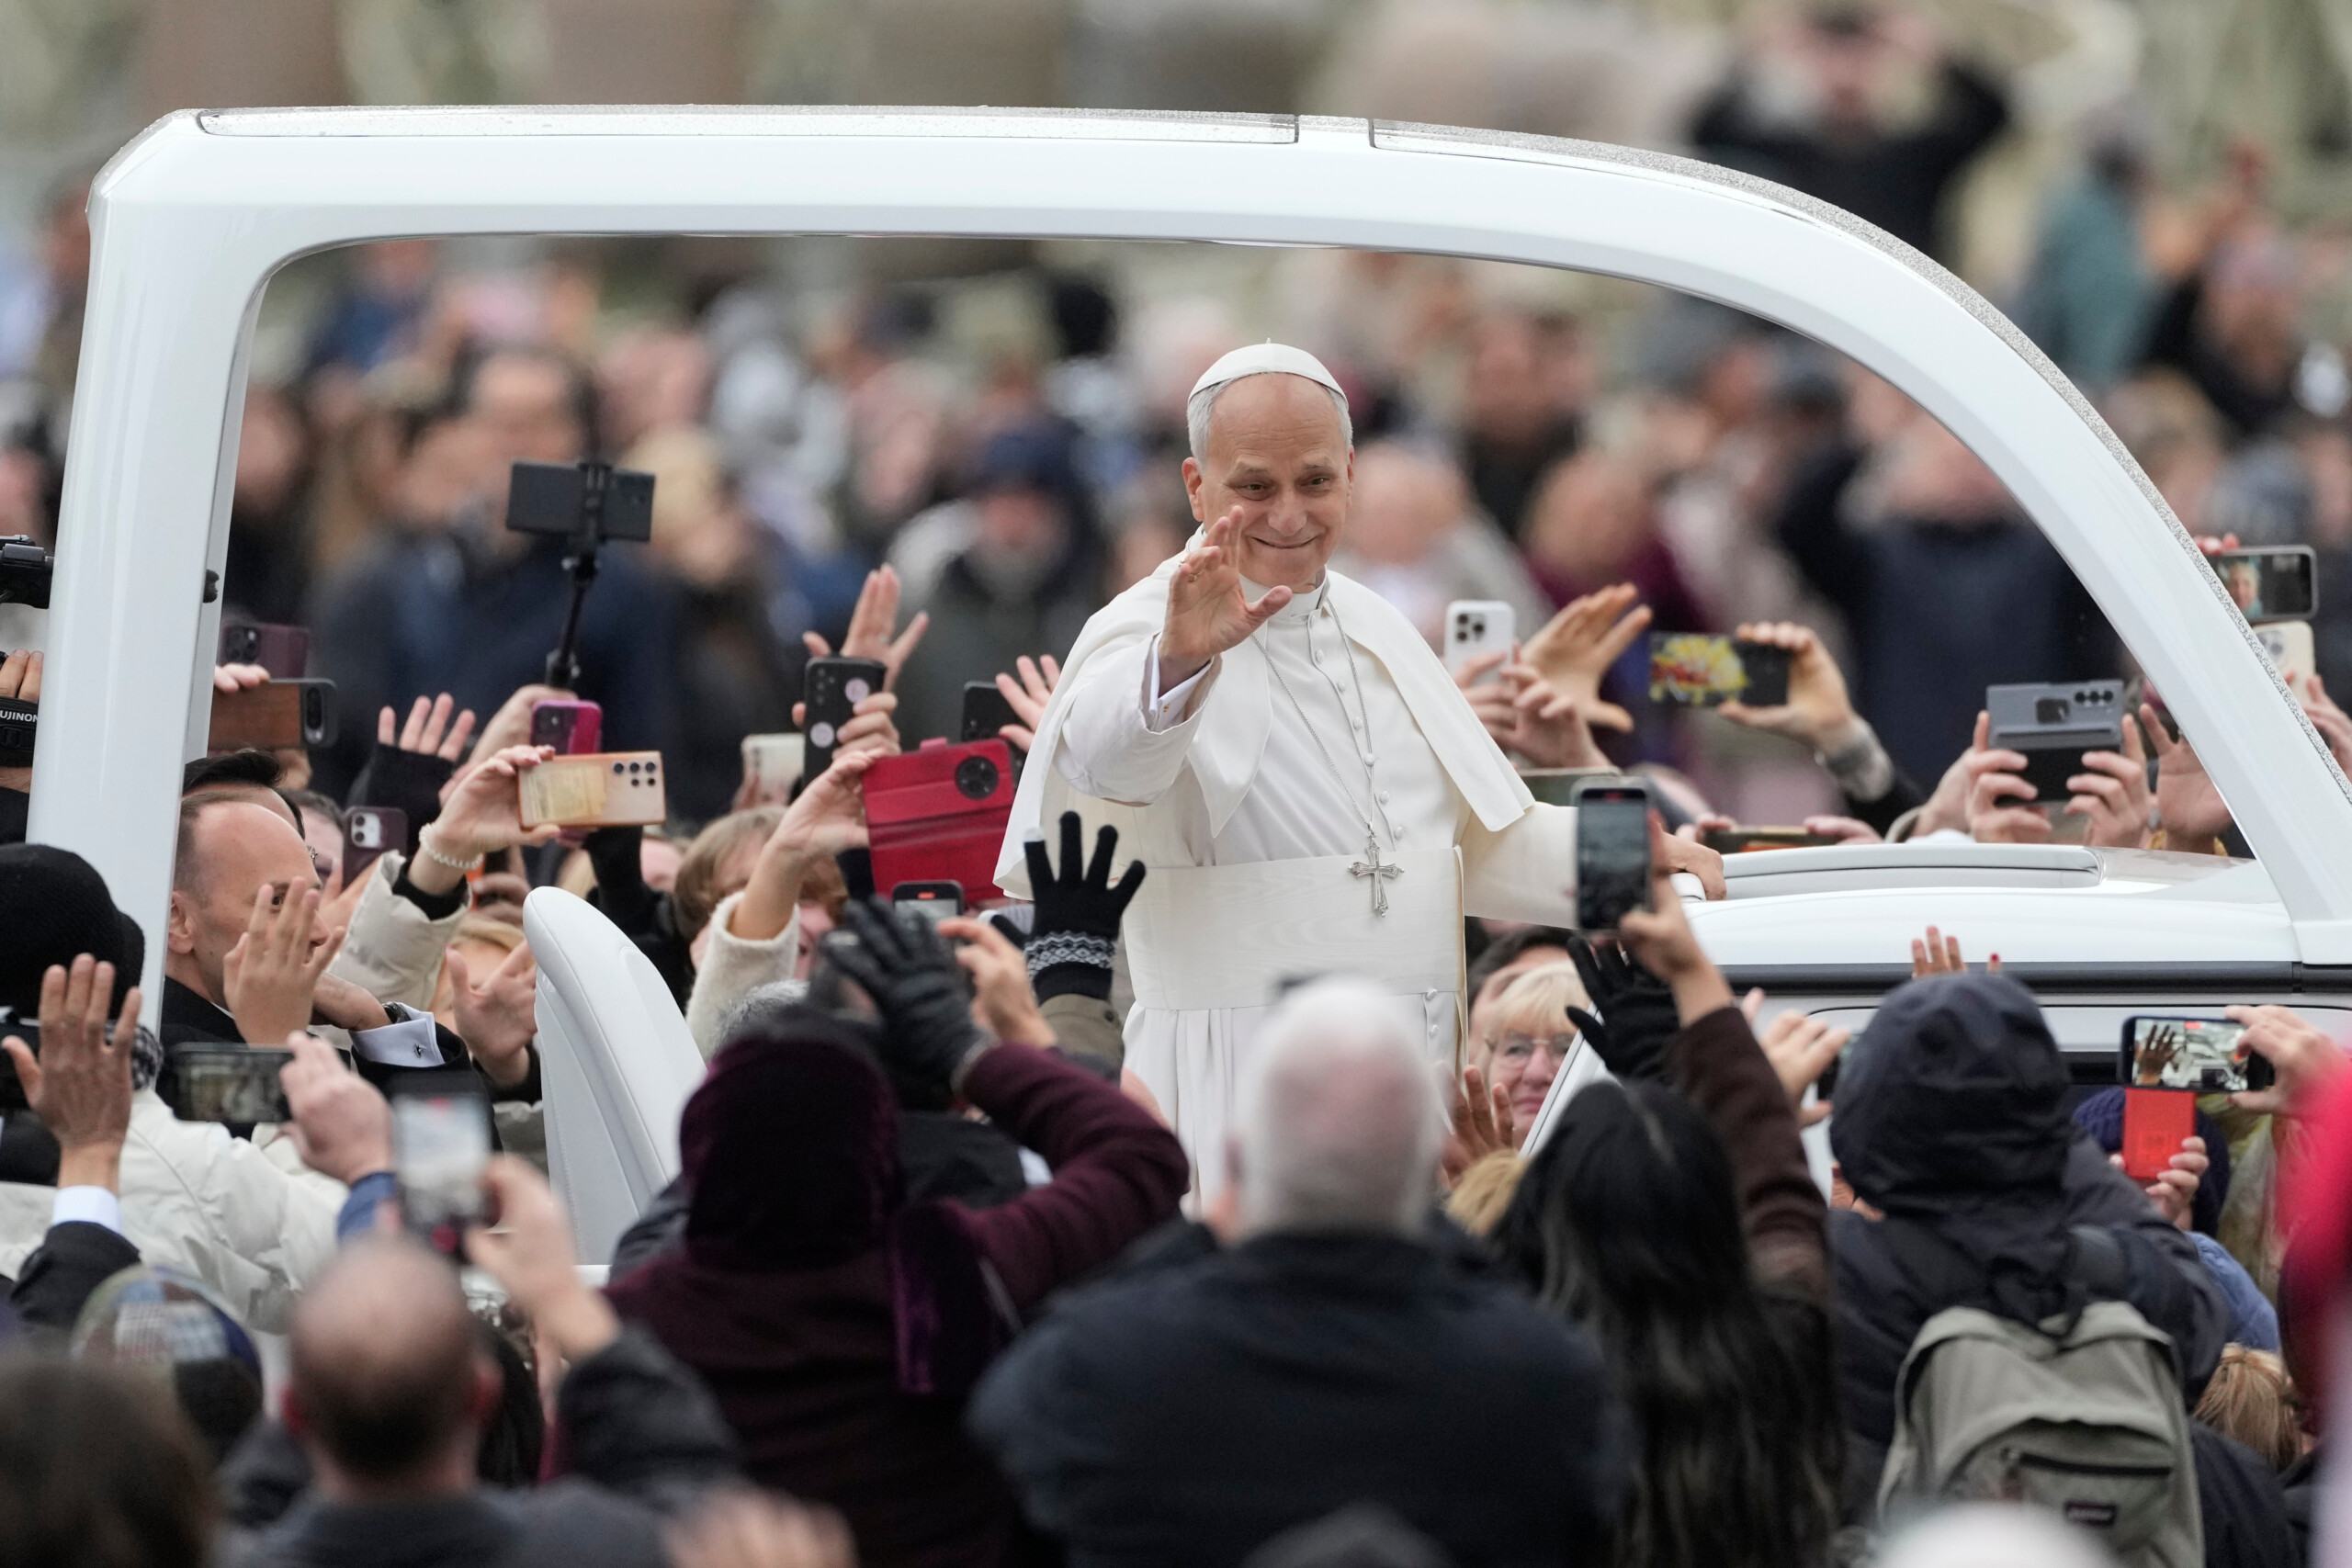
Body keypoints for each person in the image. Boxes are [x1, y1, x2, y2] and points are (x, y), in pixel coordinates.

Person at [998, 342, 1723, 1190]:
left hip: (1419, 1078)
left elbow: (1476, 846)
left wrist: (1635, 859)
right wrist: (1182, 659)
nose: (1290, 514)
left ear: (1350, 472)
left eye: (1314, 481)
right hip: (1239, 1080)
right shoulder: (1148, 626)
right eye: (1254, 486)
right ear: (1197, 486)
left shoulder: (1378, 626)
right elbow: (1108, 760)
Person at [970, 974, 1628, 1565]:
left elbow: (997, 1424)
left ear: (1235, 1160)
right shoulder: (1543, 1378)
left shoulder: (1101, 1363)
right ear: (1426, 1165)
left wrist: (1199, 1239)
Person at [607, 899, 1187, 1568]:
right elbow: (1139, 1161)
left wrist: (789, 1073)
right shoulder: (945, 1272)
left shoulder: (640, 1304)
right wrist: (992, 1043)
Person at [1488, 833, 1843, 1568]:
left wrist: (1476, 1176)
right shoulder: (1778, 1351)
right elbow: (1773, 1184)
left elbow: (1771, 1181)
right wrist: (1687, 976)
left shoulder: (1514, 1400)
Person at [1824, 954, 2231, 1515]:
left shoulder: (1828, 1277)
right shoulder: (2127, 1283)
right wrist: (2017, 1087)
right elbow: (2196, 1307)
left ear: (1862, 1122)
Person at [225, 1161, 741, 1568]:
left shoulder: (216, 1553)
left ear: (293, 1413)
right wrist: (564, 1301)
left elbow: (240, 1504)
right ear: (484, 1396)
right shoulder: (595, 1548)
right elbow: (692, 1483)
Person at [308, 346, 676, 797]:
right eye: (495, 420)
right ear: (458, 432)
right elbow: (343, 746)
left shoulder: (620, 589)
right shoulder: (384, 581)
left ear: (578, 436)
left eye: (538, 422)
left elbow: (643, 756)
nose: (513, 441)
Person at [888, 423, 1106, 748]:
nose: (1013, 522)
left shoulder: (1094, 618)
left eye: (1031, 504)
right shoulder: (926, 625)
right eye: (998, 502)